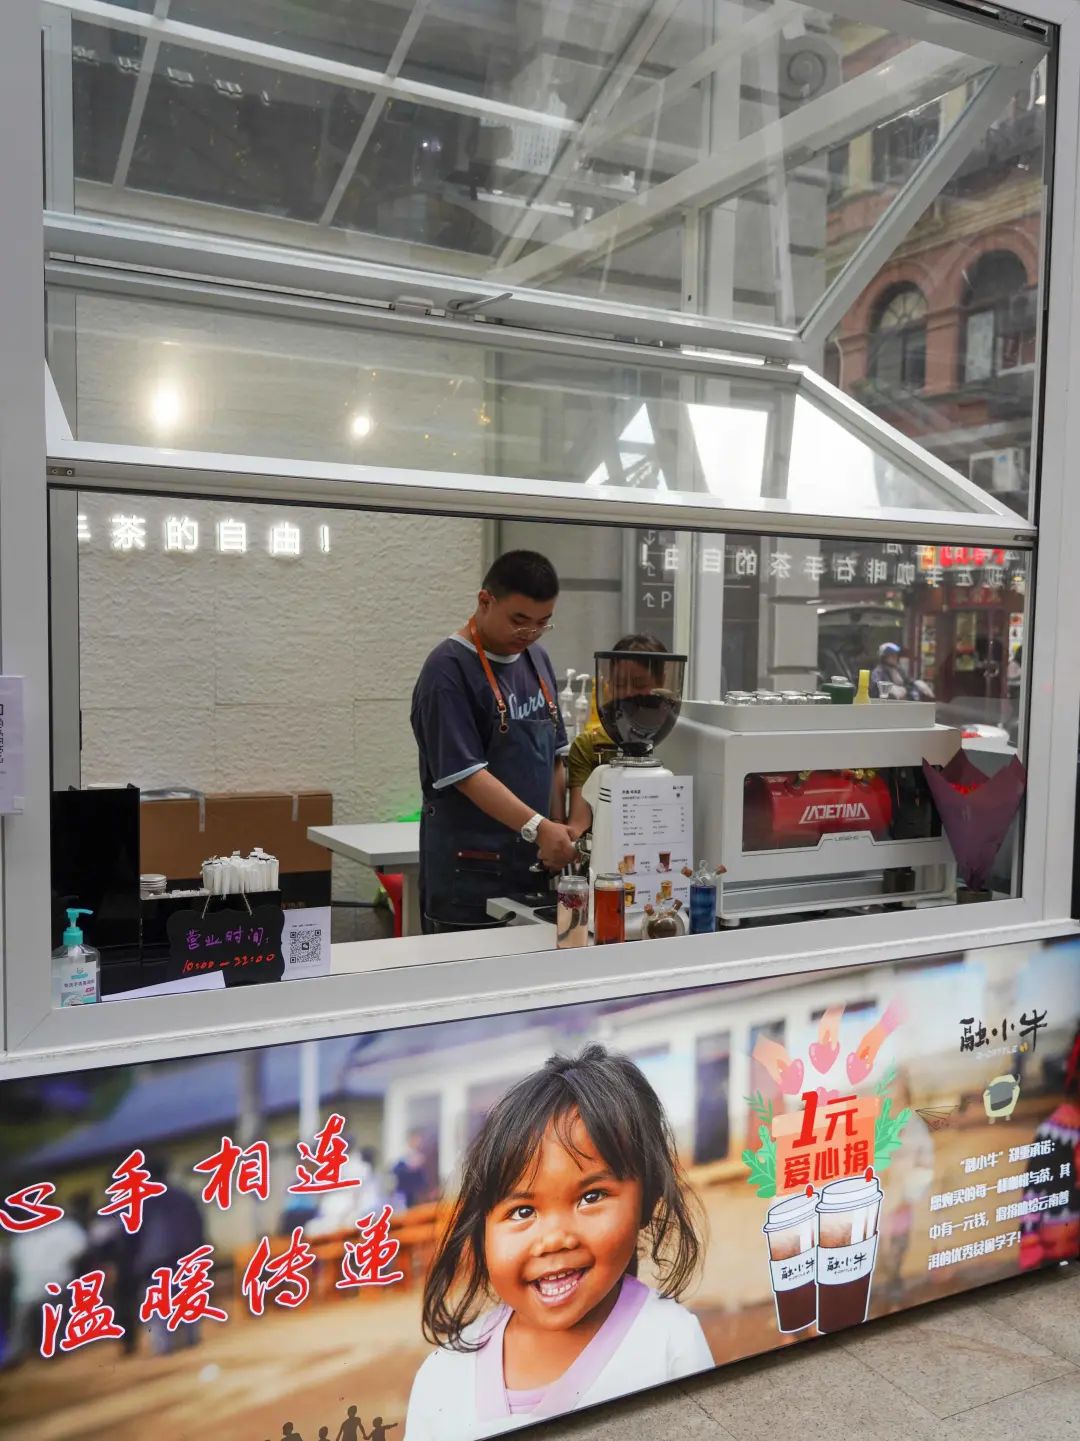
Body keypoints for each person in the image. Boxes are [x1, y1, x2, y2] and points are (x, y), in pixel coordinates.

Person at [405, 1046, 712, 1439]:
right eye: (522, 1211)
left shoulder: (669, 1344)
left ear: (647, 1199)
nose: (553, 1240)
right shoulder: (444, 1378)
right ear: (481, 1229)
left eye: (591, 1197)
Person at [411, 551, 575, 932]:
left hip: (532, 869)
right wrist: (540, 828)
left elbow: (554, 757)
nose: (529, 633)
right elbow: (467, 775)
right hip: (469, 874)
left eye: (542, 623)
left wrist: (558, 828)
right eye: (518, 620)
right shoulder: (447, 671)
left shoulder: (537, 660)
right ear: (485, 601)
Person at [566, 635, 667, 840]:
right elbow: (579, 824)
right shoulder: (590, 746)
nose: (628, 694)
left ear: (662, 680)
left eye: (639, 684)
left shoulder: (677, 738)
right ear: (608, 684)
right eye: (619, 685)